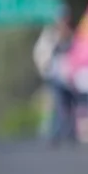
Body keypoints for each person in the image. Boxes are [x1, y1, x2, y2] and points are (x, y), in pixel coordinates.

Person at [33, 10, 76, 145]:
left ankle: (70, 133)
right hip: (55, 75)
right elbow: (41, 53)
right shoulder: (50, 35)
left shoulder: (72, 34)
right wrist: (45, 68)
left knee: (70, 104)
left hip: (71, 76)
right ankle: (56, 133)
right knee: (58, 104)